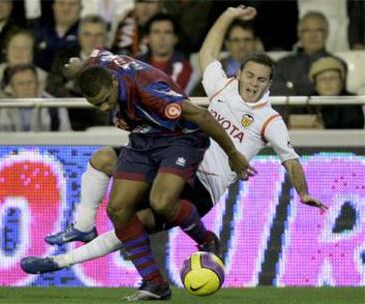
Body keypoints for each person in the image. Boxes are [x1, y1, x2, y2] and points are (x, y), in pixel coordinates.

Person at [21, 6, 327, 301]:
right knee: (107, 169)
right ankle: (89, 231)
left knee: (138, 219)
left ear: (269, 83)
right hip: (167, 158)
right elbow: (208, 53)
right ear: (240, 73)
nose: (253, 84)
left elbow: (290, 157)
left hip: (202, 186)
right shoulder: (222, 87)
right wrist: (229, 14)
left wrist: (302, 192)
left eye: (261, 80)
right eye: (250, 76)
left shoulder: (270, 120)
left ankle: (62, 263)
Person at [46, 47, 253, 300]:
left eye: (105, 99)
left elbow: (201, 115)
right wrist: (79, 67)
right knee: (118, 210)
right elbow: (96, 57)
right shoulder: (100, 70)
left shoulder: (150, 93)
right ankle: (155, 283)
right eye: (96, 103)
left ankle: (207, 240)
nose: (103, 108)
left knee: (162, 202)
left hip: (180, 138)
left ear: (114, 81)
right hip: (143, 139)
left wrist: (233, 154)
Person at [46, 15, 110, 130]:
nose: (92, 40)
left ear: (106, 38)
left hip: (108, 126)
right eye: (87, 34)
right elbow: (52, 88)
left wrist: (73, 86)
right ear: (79, 37)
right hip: (73, 123)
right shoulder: (64, 58)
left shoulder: (116, 61)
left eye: (98, 35)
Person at [270, 11, 347, 97]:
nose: (312, 35)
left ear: (326, 34)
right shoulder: (282, 64)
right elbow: (277, 96)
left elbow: (337, 99)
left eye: (318, 30)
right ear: (299, 34)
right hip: (291, 110)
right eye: (306, 30)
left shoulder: (337, 64)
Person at [0, 64, 71, 132]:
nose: (26, 87)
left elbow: (67, 139)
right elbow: (2, 139)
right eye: (21, 84)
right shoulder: (5, 108)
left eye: (30, 82)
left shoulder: (56, 107)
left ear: (37, 84)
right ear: (13, 88)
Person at [0, 29, 47, 99]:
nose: (19, 52)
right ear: (6, 51)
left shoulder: (46, 81)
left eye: (25, 48)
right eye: (15, 48)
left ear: (33, 52)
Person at [137, 13, 196, 94]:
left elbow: (173, 97)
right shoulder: (135, 65)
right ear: (147, 38)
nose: (162, 37)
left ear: (175, 38)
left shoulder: (184, 68)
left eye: (167, 32)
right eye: (156, 32)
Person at [309, 56, 364, 129]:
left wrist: (325, 129)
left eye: (333, 78)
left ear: (341, 82)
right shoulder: (308, 103)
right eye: (323, 79)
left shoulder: (352, 102)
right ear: (315, 85)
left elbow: (352, 128)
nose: (328, 83)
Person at [33, 0, 81, 71]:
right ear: (54, 6)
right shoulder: (40, 31)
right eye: (61, 3)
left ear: (80, 7)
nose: (66, 9)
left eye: (72, 4)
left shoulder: (87, 33)